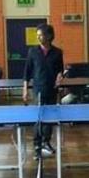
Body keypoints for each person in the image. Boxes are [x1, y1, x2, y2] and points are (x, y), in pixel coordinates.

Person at [23, 24, 64, 158]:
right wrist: (25, 90)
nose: (39, 37)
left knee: (50, 118)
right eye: (38, 35)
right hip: (38, 90)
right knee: (39, 118)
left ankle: (46, 142)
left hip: (52, 89)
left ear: (49, 36)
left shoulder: (58, 52)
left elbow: (60, 70)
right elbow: (27, 73)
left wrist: (60, 77)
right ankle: (37, 145)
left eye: (42, 35)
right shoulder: (33, 52)